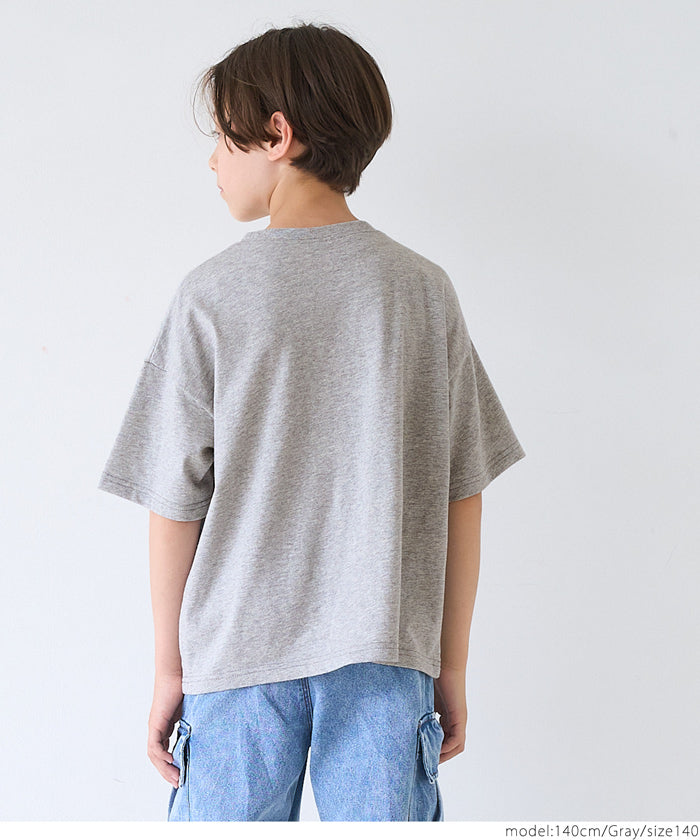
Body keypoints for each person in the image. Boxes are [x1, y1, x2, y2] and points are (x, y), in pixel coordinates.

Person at [97, 21, 526, 821]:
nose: (213, 161)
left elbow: (175, 504)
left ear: (277, 134)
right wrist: (450, 665)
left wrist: (169, 671)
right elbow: (462, 492)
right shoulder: (420, 290)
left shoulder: (211, 295)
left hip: (234, 660)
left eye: (223, 137)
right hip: (385, 656)